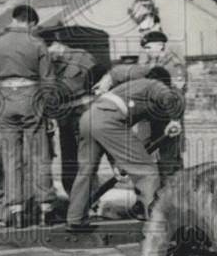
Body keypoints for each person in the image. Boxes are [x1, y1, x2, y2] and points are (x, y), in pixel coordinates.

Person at [66, 67, 184, 230]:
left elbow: (113, 138)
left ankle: (75, 218)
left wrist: (116, 164)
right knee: (147, 173)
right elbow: (170, 98)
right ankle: (157, 225)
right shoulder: (155, 85)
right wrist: (175, 120)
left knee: (86, 170)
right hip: (108, 120)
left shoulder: (129, 88)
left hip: (88, 118)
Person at [0, 4, 56, 227]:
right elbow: (48, 81)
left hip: (4, 100)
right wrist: (47, 109)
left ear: (14, 19)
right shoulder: (37, 43)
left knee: (10, 158)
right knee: (39, 154)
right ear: (31, 22)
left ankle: (16, 210)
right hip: (32, 99)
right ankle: (45, 208)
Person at [48, 37, 101, 196]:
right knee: (69, 160)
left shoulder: (81, 57)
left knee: (85, 158)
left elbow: (96, 82)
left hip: (83, 114)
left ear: (56, 44)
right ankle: (73, 196)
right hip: (64, 119)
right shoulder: (49, 62)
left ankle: (91, 198)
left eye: (47, 50)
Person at [137, 30, 186, 176]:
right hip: (154, 115)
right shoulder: (152, 64)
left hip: (169, 115)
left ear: (160, 45)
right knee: (156, 153)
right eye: (145, 48)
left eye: (148, 48)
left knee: (169, 155)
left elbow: (178, 94)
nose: (146, 51)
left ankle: (172, 189)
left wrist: (174, 118)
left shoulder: (174, 65)